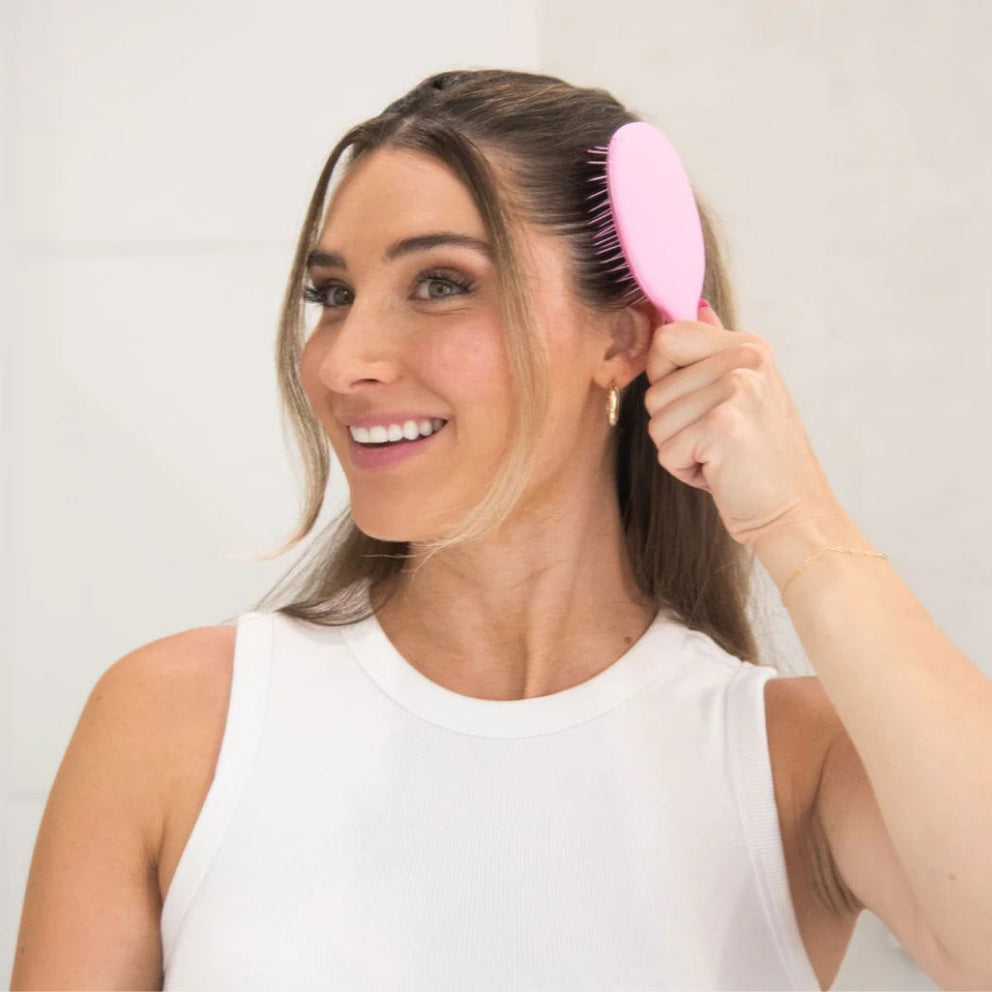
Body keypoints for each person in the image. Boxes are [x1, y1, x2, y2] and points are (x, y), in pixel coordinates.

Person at [14, 68, 979, 992]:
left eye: (441, 283)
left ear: (624, 338)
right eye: (333, 295)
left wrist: (796, 523)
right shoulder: (177, 722)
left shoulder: (792, 762)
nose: (345, 363)